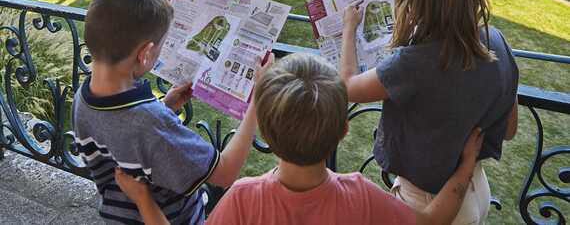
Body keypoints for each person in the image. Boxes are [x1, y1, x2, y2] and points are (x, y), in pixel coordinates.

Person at [115, 53, 485, 225]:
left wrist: (144, 200)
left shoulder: (244, 199)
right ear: (342, 131)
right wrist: (465, 166)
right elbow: (431, 223)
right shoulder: (362, 197)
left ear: (268, 138)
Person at [340, 0, 519, 225]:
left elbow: (347, 87)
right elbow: (510, 128)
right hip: (476, 188)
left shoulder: (412, 64)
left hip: (427, 203)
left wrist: (349, 28)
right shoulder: (496, 41)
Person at [72, 0, 270, 225]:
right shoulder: (151, 123)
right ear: (144, 54)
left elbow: (124, 140)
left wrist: (165, 106)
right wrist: (257, 98)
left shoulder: (83, 98)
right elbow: (225, 172)